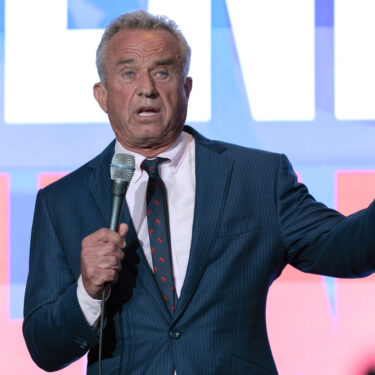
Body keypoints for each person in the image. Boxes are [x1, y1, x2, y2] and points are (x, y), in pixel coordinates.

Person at [23, 10, 375, 375]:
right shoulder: (62, 202)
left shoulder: (255, 177)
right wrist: (87, 291)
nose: (147, 88)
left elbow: (346, 248)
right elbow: (44, 348)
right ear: (102, 95)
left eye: (162, 72)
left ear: (186, 87)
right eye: (128, 73)